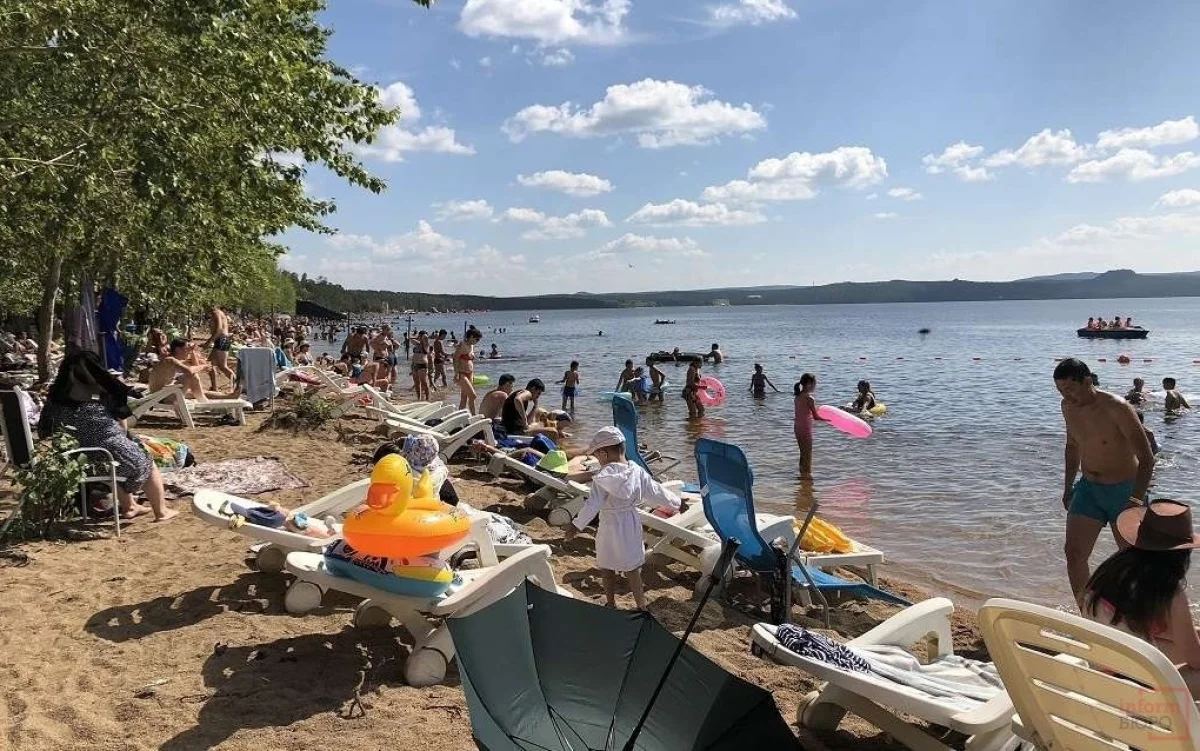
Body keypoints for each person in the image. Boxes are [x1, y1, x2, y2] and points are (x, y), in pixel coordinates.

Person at [1055, 358, 1156, 604]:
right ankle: (1087, 614)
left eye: (1070, 389)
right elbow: (1072, 446)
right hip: (1089, 489)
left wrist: (1134, 500)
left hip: (1125, 491)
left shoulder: (1117, 407)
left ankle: (1143, 616)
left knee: (1132, 560)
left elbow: (1147, 458)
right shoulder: (1067, 406)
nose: (1067, 396)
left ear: (1087, 381)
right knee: (1074, 554)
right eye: (1060, 391)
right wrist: (1068, 486)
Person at [38, 351, 178, 522]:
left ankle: (130, 506)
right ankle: (161, 512)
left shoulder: (56, 396)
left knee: (110, 460)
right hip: (105, 456)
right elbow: (122, 427)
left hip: (74, 460)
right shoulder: (100, 393)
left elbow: (44, 429)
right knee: (145, 461)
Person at [1082, 499, 1200, 696]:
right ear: (1181, 553)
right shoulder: (1169, 591)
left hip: (1103, 678)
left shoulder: (1108, 573)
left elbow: (1129, 626)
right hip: (1138, 694)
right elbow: (1196, 660)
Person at [563, 427, 681, 609]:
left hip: (609, 523)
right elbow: (656, 491)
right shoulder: (637, 471)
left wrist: (576, 525)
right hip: (629, 522)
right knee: (632, 568)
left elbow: (592, 505)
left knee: (606, 564)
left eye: (597, 456)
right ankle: (641, 605)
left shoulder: (602, 477)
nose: (597, 460)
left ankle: (610, 602)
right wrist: (677, 502)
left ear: (604, 453)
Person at [148, 339, 240, 402]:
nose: (188, 351)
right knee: (191, 376)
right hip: (161, 396)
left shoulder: (175, 360)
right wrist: (203, 367)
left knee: (196, 389)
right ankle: (204, 402)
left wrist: (192, 352)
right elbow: (189, 372)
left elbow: (195, 366)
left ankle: (228, 396)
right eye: (186, 349)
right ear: (178, 349)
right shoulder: (170, 360)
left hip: (166, 393)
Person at [794, 373, 825, 480]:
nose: (815, 386)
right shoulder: (809, 398)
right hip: (805, 428)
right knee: (808, 454)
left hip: (797, 427)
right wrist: (829, 420)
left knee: (803, 453)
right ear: (808, 384)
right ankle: (807, 477)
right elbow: (816, 417)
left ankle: (802, 475)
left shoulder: (797, 396)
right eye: (814, 384)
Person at [204, 305, 234, 390]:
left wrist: (208, 342)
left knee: (222, 366)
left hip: (222, 340)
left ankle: (239, 384)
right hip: (221, 340)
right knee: (209, 364)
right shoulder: (219, 313)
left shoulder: (216, 312)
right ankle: (214, 387)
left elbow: (219, 329)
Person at [454, 327, 482, 413]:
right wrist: (456, 373)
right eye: (476, 339)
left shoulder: (472, 346)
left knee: (464, 398)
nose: (477, 341)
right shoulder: (462, 345)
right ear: (471, 337)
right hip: (461, 373)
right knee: (473, 395)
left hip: (470, 373)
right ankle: (465, 415)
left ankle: (470, 416)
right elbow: (455, 359)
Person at [410, 331, 431, 401]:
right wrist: (417, 336)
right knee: (416, 382)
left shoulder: (426, 345)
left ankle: (428, 398)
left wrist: (423, 336)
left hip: (422, 364)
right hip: (414, 364)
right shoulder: (417, 344)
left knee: (424, 382)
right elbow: (410, 338)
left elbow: (426, 338)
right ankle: (418, 398)